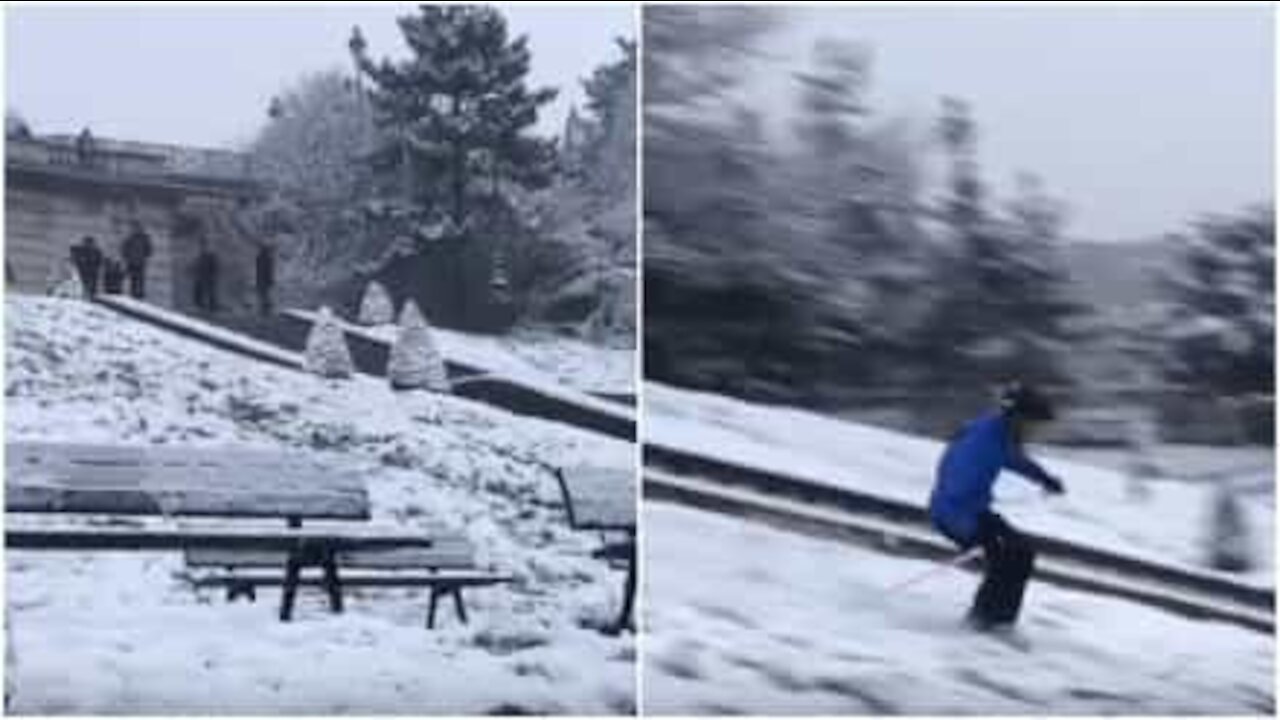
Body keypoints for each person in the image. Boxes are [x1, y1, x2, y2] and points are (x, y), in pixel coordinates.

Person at [928, 381, 1065, 630]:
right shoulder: (984, 441)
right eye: (1032, 425)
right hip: (954, 514)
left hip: (973, 511)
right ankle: (981, 623)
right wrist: (980, 527)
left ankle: (997, 621)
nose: (1033, 433)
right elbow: (955, 485)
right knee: (1005, 558)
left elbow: (1014, 459)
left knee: (1021, 553)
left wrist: (1044, 479)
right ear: (1017, 418)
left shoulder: (998, 433)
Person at [121, 221, 153, 299]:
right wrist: (127, 257)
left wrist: (145, 256)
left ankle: (140, 292)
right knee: (133, 278)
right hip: (132, 261)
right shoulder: (130, 238)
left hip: (140, 261)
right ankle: (133, 292)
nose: (136, 229)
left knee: (140, 278)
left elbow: (149, 249)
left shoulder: (144, 238)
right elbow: (124, 248)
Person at [192, 242, 221, 313]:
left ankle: (212, 306)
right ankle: (200, 305)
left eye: (204, 246)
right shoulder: (201, 256)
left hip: (208, 276)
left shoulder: (210, 256)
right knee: (199, 290)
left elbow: (215, 267)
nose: (203, 248)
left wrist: (213, 275)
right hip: (201, 276)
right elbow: (197, 265)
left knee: (210, 291)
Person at [255, 241, 275, 316]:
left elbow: (259, 270)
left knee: (263, 295)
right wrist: (270, 279)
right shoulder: (268, 258)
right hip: (264, 280)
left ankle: (263, 309)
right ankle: (265, 309)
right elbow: (269, 270)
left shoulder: (259, 258)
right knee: (265, 295)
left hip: (261, 280)